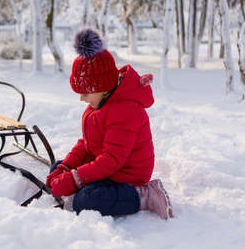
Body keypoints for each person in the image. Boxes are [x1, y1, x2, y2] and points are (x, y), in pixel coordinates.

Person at [46, 28, 174, 219]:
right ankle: (79, 181)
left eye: (86, 93)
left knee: (85, 201)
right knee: (57, 167)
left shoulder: (125, 111)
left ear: (102, 88)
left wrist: (76, 178)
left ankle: (145, 195)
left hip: (127, 176)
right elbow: (86, 144)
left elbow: (111, 160)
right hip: (109, 167)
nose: (82, 98)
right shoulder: (99, 104)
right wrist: (66, 167)